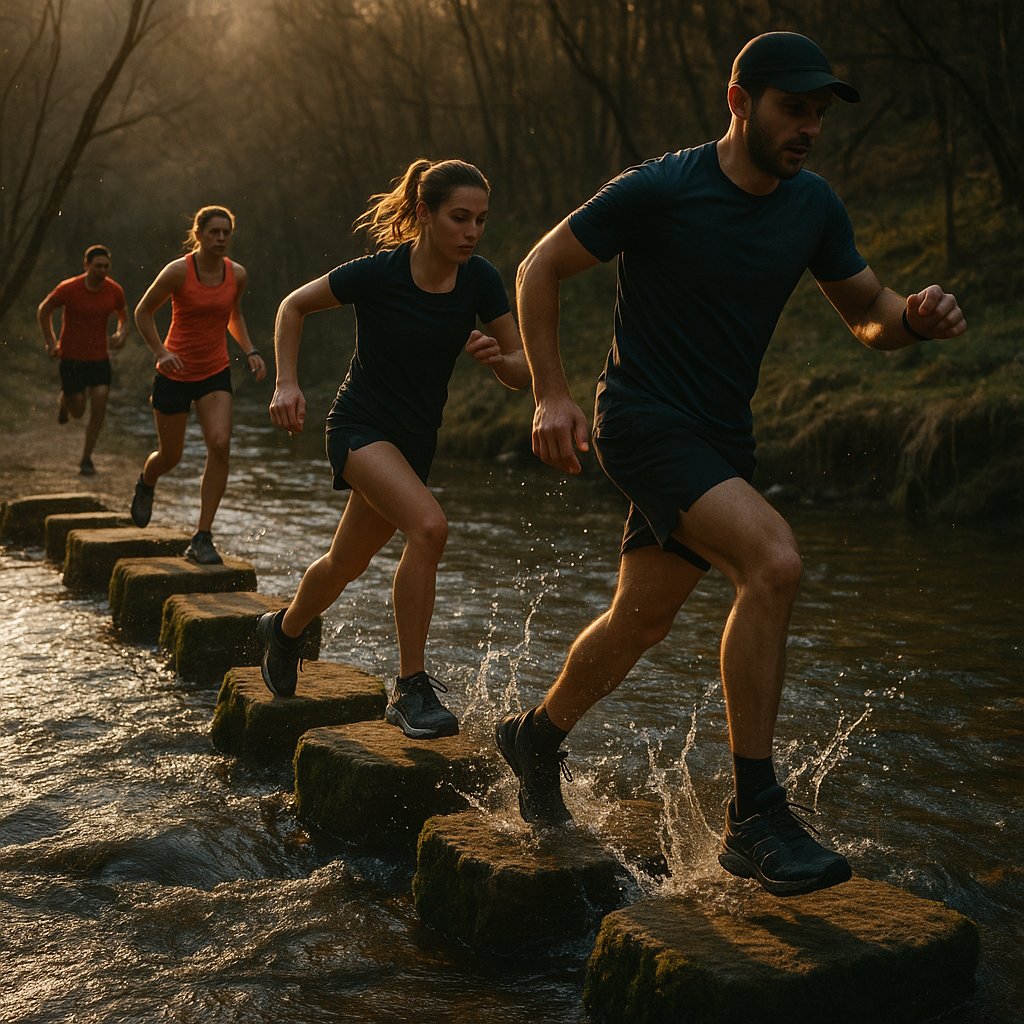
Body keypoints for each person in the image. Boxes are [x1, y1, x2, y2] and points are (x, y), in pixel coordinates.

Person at [497, 32, 967, 897]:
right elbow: (538, 268)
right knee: (773, 561)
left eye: (820, 115)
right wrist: (551, 395)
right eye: (795, 109)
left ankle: (536, 734)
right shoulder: (662, 188)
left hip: (722, 438)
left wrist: (917, 318)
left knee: (640, 619)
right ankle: (756, 816)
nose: (810, 129)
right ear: (740, 100)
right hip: (640, 421)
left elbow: (867, 313)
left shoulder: (812, 205)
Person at [258, 158, 529, 739]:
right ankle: (410, 689)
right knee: (429, 527)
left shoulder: (481, 279)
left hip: (413, 443)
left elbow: (523, 370)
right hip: (359, 428)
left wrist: (498, 360)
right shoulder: (380, 273)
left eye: (481, 220)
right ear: (425, 215)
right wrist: (287, 381)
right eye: (459, 218)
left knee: (345, 564)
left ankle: (283, 630)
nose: (472, 232)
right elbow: (292, 306)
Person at [130, 205, 266, 565]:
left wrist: (249, 349)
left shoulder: (236, 274)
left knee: (220, 445)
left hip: (214, 371)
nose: (221, 238)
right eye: (214, 232)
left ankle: (203, 536)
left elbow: (233, 315)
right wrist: (160, 352)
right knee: (170, 457)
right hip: (174, 373)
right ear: (199, 234)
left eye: (226, 233)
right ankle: (146, 481)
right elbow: (143, 312)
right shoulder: (178, 272)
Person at [37, 244, 128, 475]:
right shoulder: (69, 288)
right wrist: (50, 341)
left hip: (99, 358)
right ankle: (65, 402)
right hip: (71, 357)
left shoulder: (114, 290)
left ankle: (86, 459)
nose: (102, 270)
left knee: (99, 403)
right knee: (78, 411)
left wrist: (121, 333)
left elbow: (124, 317)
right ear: (86, 265)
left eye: (106, 266)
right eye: (98, 266)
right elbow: (44, 310)